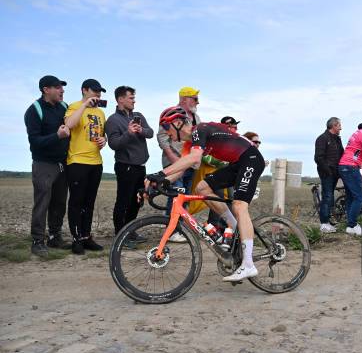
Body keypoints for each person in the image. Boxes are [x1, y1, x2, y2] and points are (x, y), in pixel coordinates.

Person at [146, 107, 265, 281]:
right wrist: (157, 183)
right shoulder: (190, 144)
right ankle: (234, 226)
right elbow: (183, 167)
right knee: (202, 188)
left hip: (251, 159)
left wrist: (161, 174)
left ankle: (248, 265)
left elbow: (194, 159)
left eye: (166, 128)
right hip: (238, 163)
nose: (166, 133)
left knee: (240, 205)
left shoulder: (199, 130)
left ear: (178, 123)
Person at [24, 75, 71, 256]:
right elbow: (34, 142)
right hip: (43, 164)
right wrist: (56, 137)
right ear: (46, 89)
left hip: (63, 164)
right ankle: (37, 241)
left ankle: (54, 237)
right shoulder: (34, 110)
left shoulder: (64, 107)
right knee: (42, 203)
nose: (62, 90)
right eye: (58, 87)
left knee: (59, 202)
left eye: (62, 87)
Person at [105, 86, 154, 244]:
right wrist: (128, 133)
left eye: (134, 98)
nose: (134, 101)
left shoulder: (138, 116)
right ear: (120, 99)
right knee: (123, 201)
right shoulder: (112, 120)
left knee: (137, 201)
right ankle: (120, 236)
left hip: (140, 166)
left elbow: (151, 133)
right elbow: (113, 144)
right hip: (125, 166)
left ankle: (130, 231)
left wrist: (140, 130)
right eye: (131, 98)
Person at [64, 79, 108, 254]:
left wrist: (104, 140)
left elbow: (101, 134)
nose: (98, 94)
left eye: (100, 91)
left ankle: (86, 236)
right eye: (95, 91)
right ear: (84, 90)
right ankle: (76, 239)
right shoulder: (74, 106)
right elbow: (69, 124)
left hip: (96, 162)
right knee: (76, 201)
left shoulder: (100, 113)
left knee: (89, 203)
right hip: (77, 161)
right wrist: (84, 106)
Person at [156, 87, 201, 242]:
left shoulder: (196, 117)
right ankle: (171, 228)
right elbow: (162, 137)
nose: (197, 102)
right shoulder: (171, 114)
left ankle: (179, 227)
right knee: (175, 194)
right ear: (184, 99)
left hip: (191, 162)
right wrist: (172, 158)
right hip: (174, 161)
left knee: (185, 196)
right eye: (194, 99)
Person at [314, 118, 344, 233]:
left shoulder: (337, 139)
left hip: (335, 174)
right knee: (327, 197)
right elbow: (318, 157)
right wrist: (328, 171)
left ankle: (327, 223)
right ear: (334, 126)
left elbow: (342, 154)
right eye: (339, 125)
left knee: (330, 197)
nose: (341, 128)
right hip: (327, 174)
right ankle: (324, 224)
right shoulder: (322, 138)